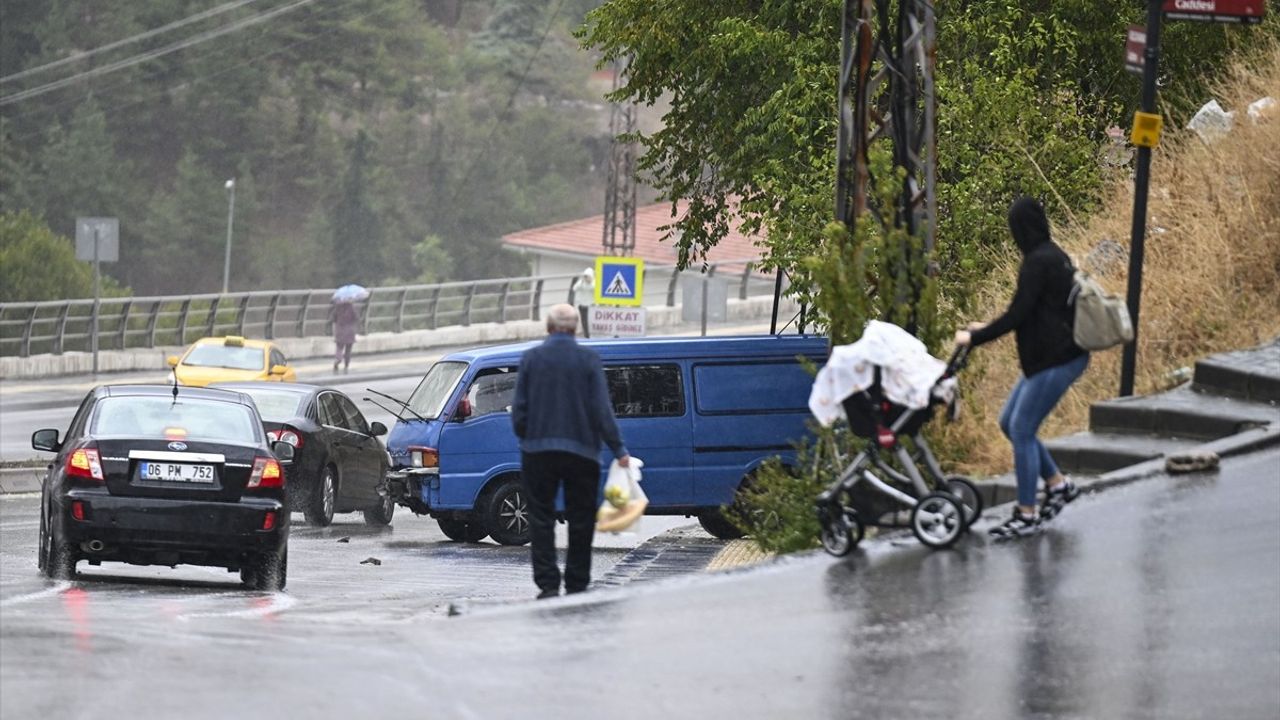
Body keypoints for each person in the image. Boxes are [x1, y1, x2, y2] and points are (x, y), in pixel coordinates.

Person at [954, 197, 1089, 540]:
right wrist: (985, 327)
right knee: (1009, 423)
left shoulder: (1038, 262)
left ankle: (1026, 513)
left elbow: (1018, 314)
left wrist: (975, 337)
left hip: (1057, 358)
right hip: (1053, 355)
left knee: (1023, 429)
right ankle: (1058, 485)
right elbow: (1033, 312)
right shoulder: (1052, 255)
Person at [512, 303, 629, 598]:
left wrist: (529, 437)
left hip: (538, 452)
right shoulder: (588, 360)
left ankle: (548, 584)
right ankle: (577, 583)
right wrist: (618, 449)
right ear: (575, 328)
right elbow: (602, 410)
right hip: (582, 453)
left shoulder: (531, 359)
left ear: (548, 328)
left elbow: (519, 412)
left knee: (540, 518)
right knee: (580, 518)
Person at [330, 300, 359, 373]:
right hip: (350, 331)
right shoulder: (352, 307)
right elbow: (356, 318)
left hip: (340, 330)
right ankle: (346, 365)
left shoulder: (337, 307)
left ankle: (338, 359)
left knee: (339, 347)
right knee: (348, 350)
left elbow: (333, 319)